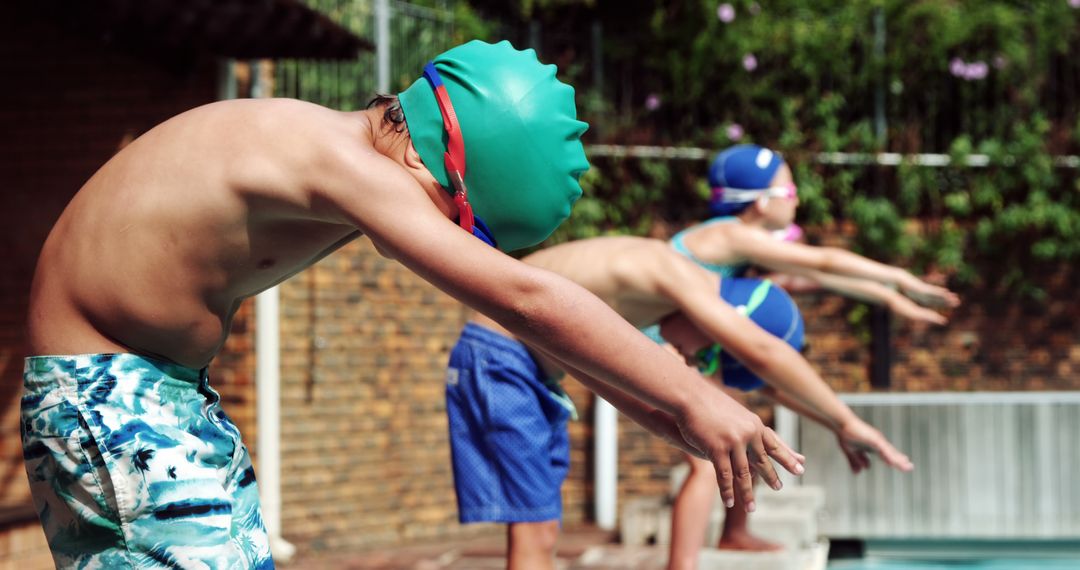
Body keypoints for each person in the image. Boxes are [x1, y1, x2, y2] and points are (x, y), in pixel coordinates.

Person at [20, 40, 803, 568]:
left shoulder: (346, 159)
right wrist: (694, 395)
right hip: (108, 392)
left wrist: (662, 414)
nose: (443, 237)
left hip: (155, 394)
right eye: (457, 219)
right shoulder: (341, 161)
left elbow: (543, 329)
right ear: (441, 163)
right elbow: (526, 299)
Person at [444, 236, 906, 570]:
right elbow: (764, 353)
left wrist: (830, 421)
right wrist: (848, 420)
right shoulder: (673, 272)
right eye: (706, 353)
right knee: (531, 535)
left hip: (527, 370)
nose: (692, 361)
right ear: (723, 321)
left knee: (541, 533)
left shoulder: (673, 299)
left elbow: (768, 383)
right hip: (500, 357)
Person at [666, 143, 955, 565]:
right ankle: (681, 565)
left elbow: (814, 275)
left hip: (685, 347)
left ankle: (734, 533)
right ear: (761, 203)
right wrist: (900, 278)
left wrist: (889, 298)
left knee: (747, 433)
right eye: (788, 189)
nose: (798, 196)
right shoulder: (729, 235)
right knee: (703, 465)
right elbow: (822, 259)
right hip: (654, 343)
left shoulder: (736, 251)